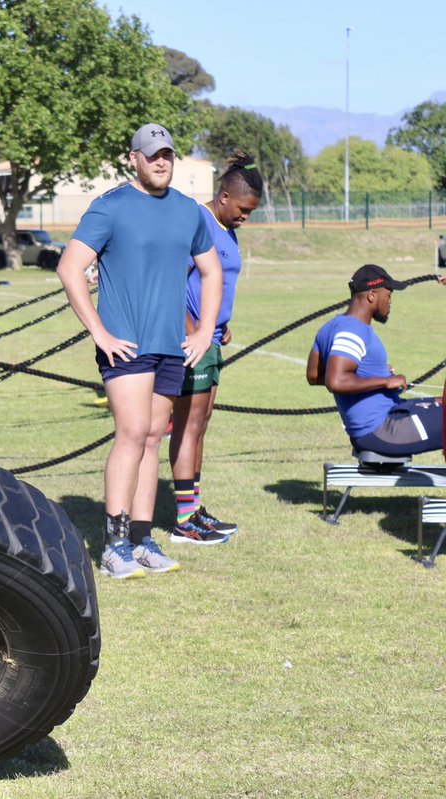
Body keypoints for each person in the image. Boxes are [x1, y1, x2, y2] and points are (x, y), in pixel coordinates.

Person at [57, 123, 223, 579]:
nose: (161, 161)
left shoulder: (189, 212)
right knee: (131, 434)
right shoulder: (110, 207)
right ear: (134, 158)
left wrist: (205, 330)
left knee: (153, 437)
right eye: (152, 155)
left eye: (167, 154)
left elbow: (212, 271)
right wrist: (99, 332)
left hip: (171, 347)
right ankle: (114, 546)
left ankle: (142, 540)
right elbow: (70, 268)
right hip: (126, 345)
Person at [168, 154, 263, 545]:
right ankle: (183, 520)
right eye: (243, 209)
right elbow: (174, 284)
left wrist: (220, 326)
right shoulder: (199, 222)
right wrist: (195, 331)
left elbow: (214, 284)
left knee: (200, 425)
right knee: (188, 427)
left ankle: (194, 507)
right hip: (193, 344)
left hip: (212, 339)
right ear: (224, 197)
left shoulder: (227, 228)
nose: (246, 218)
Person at [306, 264, 443, 456]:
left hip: (382, 422)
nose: (390, 302)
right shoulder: (353, 330)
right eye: (389, 295)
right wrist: (385, 380)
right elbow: (335, 380)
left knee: (441, 402)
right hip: (383, 431)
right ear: (372, 295)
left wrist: (370, 373)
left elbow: (314, 376)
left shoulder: (331, 326)